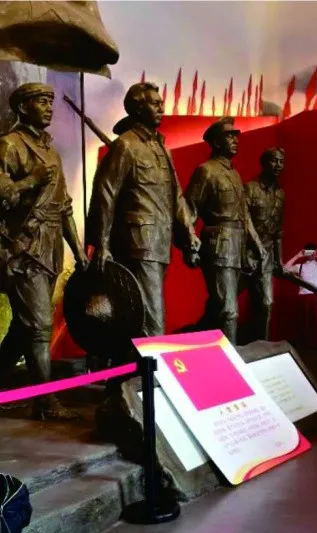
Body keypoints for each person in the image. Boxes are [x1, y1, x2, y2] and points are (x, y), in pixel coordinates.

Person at [0, 83, 89, 420]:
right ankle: (45, 402)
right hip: (22, 248)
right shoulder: (10, 145)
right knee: (38, 325)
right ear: (23, 107)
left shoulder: (51, 151)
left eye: (51, 102)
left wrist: (78, 251)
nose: (49, 107)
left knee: (24, 328)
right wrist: (31, 180)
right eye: (41, 101)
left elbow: (64, 207)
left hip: (49, 246)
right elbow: (2, 195)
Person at [87, 82, 200, 339]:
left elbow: (176, 195)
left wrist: (188, 233)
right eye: (155, 104)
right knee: (152, 320)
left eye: (161, 103)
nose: (162, 108)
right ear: (138, 109)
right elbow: (105, 194)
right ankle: (148, 364)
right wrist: (101, 243)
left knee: (139, 314)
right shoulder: (126, 146)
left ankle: (130, 362)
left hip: (159, 243)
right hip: (137, 243)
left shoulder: (162, 148)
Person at [185, 117, 264, 344]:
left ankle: (195, 342)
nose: (235, 140)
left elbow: (244, 215)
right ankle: (231, 359)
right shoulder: (206, 171)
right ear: (217, 142)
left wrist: (257, 245)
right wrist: (189, 244)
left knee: (219, 307)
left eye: (235, 136)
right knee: (229, 311)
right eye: (229, 136)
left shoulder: (234, 174)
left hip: (238, 247)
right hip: (219, 245)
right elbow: (189, 209)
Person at [245, 147, 286, 341]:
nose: (278, 165)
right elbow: (244, 220)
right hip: (245, 254)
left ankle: (262, 345)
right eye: (274, 161)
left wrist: (279, 261)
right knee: (226, 306)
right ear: (264, 163)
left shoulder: (280, 194)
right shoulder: (250, 188)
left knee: (267, 303)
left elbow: (278, 231)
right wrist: (256, 247)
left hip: (267, 256)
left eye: (281, 161)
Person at [284, 243, 317, 348]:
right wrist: (297, 256)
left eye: (313, 252)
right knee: (305, 323)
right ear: (305, 253)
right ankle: (305, 346)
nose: (311, 254)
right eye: (308, 252)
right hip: (304, 298)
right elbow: (285, 269)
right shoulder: (300, 266)